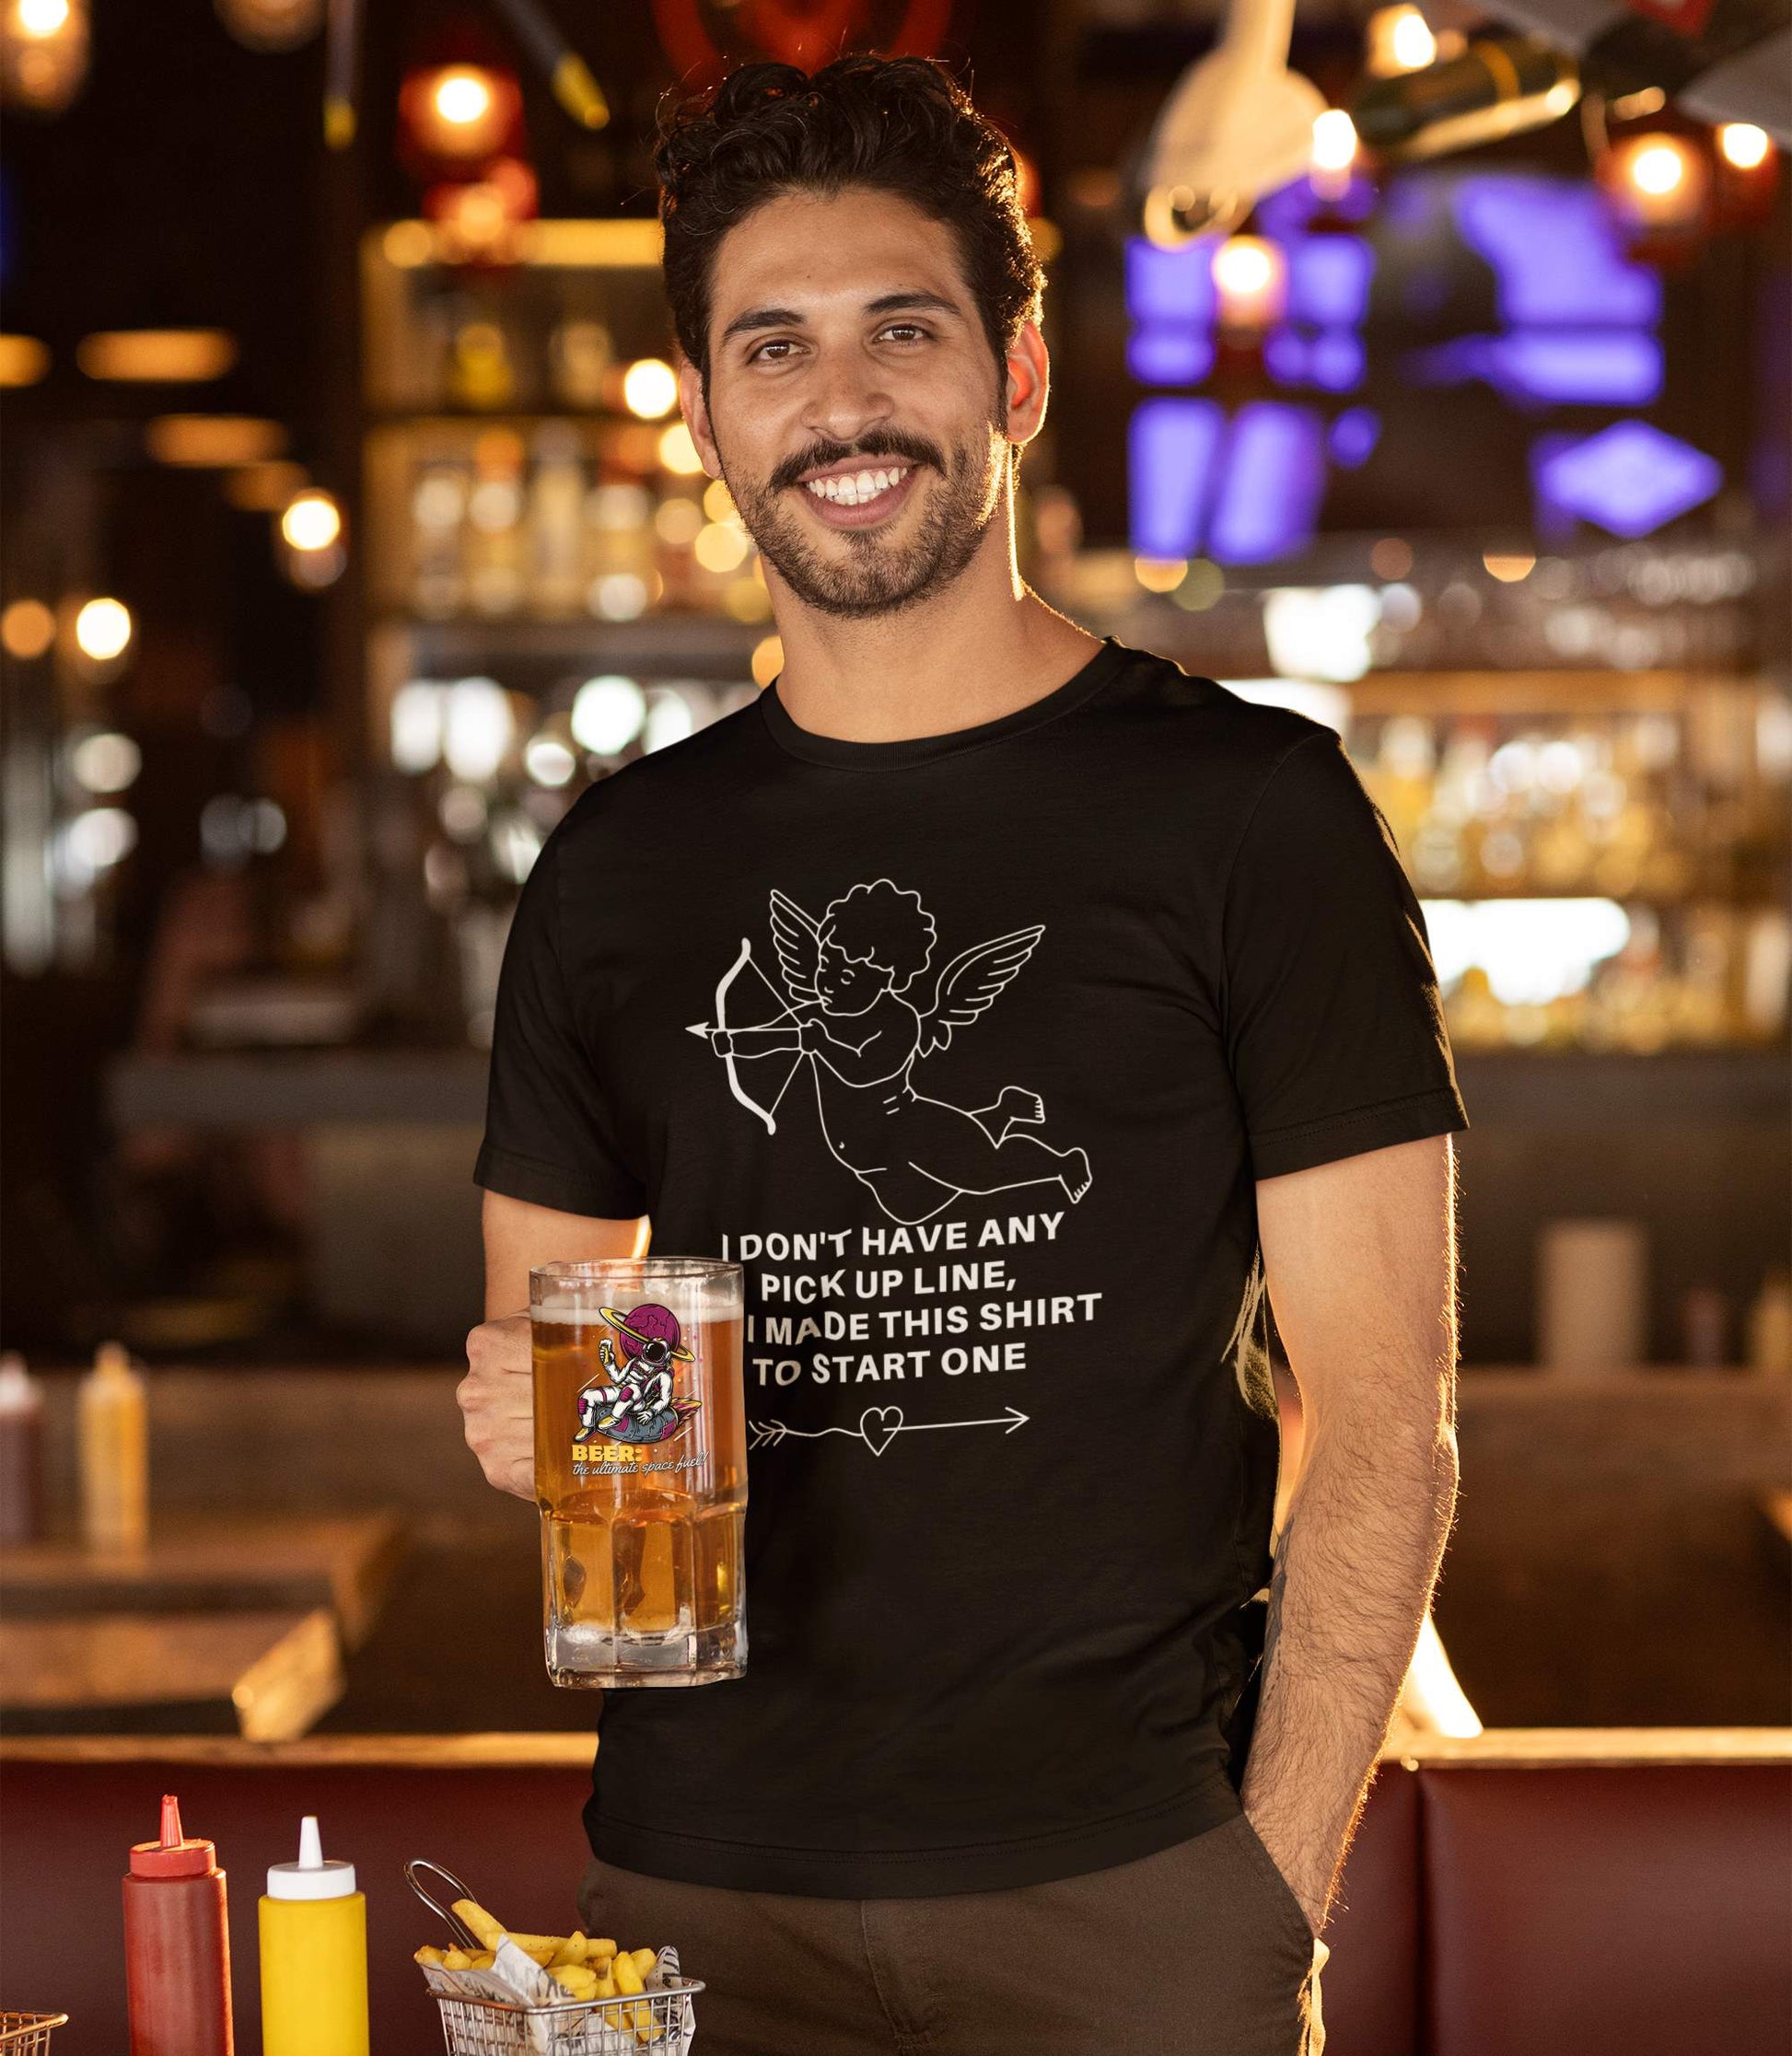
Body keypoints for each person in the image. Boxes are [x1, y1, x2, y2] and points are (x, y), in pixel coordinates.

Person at [460, 53, 1466, 2056]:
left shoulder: (1251, 816)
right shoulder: (618, 867)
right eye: (774, 348)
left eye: (898, 333)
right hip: (695, 1885)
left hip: (1132, 1899)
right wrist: (525, 1421)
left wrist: (1255, 1897)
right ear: (713, 417)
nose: (838, 401)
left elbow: (1386, 1423)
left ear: (1012, 380)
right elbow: (559, 1371)